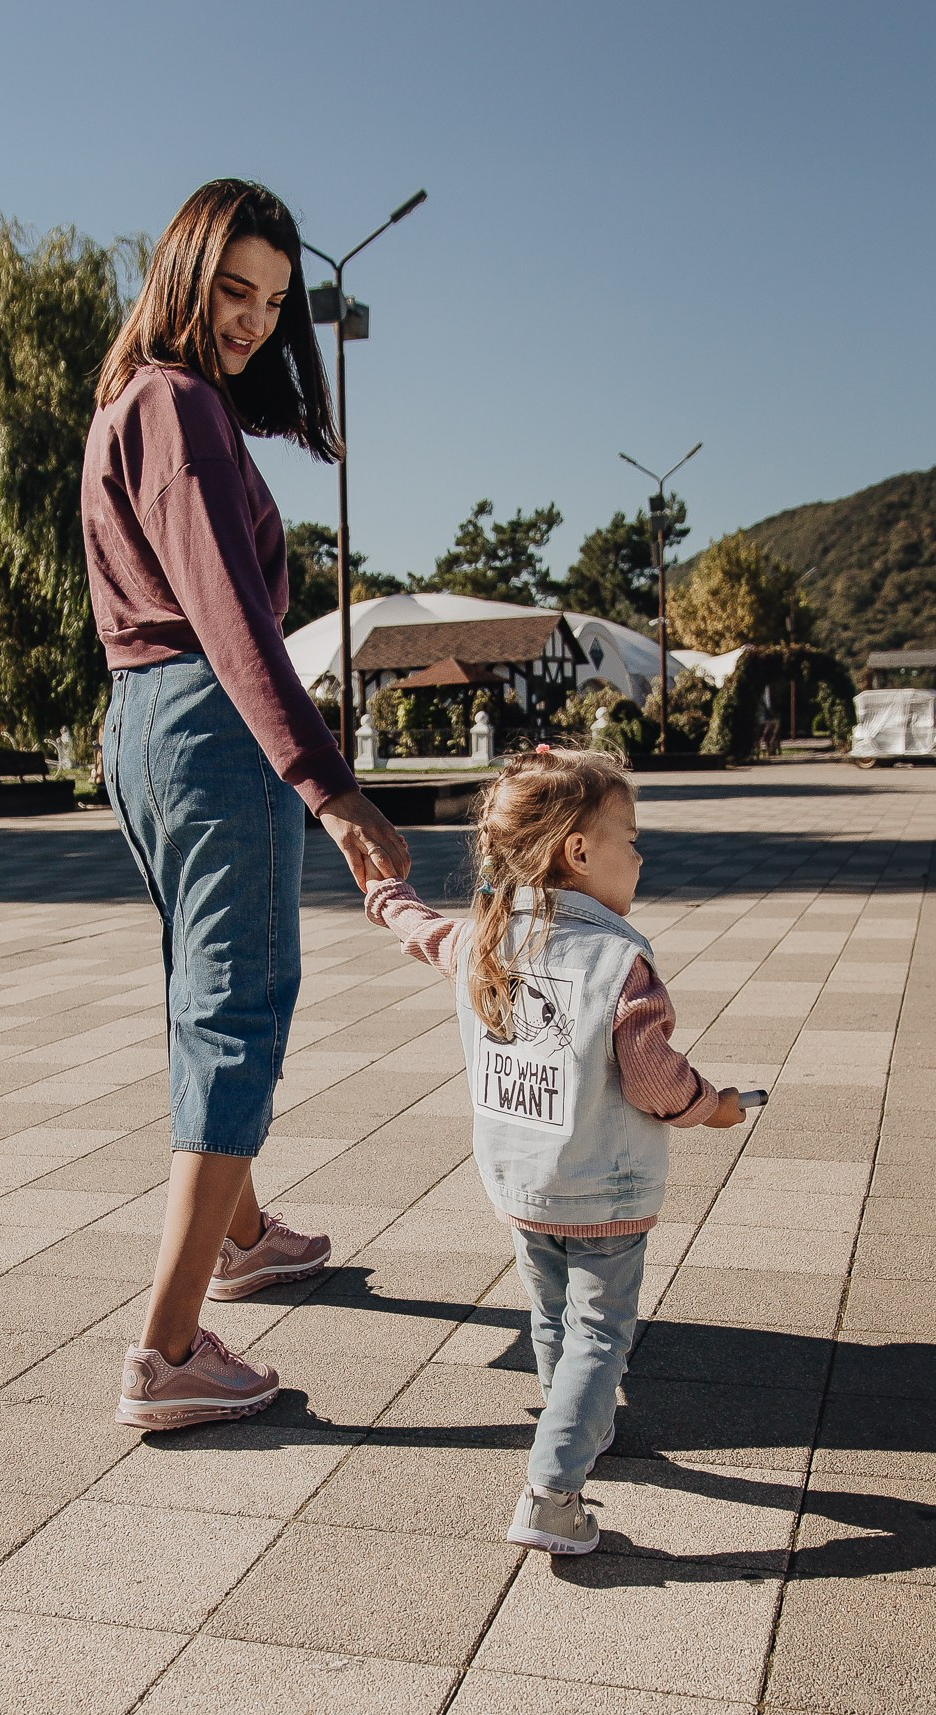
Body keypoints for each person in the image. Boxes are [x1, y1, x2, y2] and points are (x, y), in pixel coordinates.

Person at [81, 178, 409, 1432]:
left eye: (275, 302)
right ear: (183, 271)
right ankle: (167, 1353)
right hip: (209, 723)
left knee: (203, 990)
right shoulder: (176, 405)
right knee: (240, 1002)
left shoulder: (129, 401)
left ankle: (246, 1236)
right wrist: (329, 787)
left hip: (146, 723)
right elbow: (231, 614)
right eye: (233, 289)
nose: (255, 320)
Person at [365, 746, 744, 1554]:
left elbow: (423, 933)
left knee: (549, 1315)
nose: (641, 855)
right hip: (604, 1188)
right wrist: (714, 1109)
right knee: (602, 1332)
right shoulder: (617, 960)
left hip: (522, 1181)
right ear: (579, 850)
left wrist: (385, 893)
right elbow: (653, 1080)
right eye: (631, 838)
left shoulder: (484, 938)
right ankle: (553, 1491)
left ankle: (573, 1416)